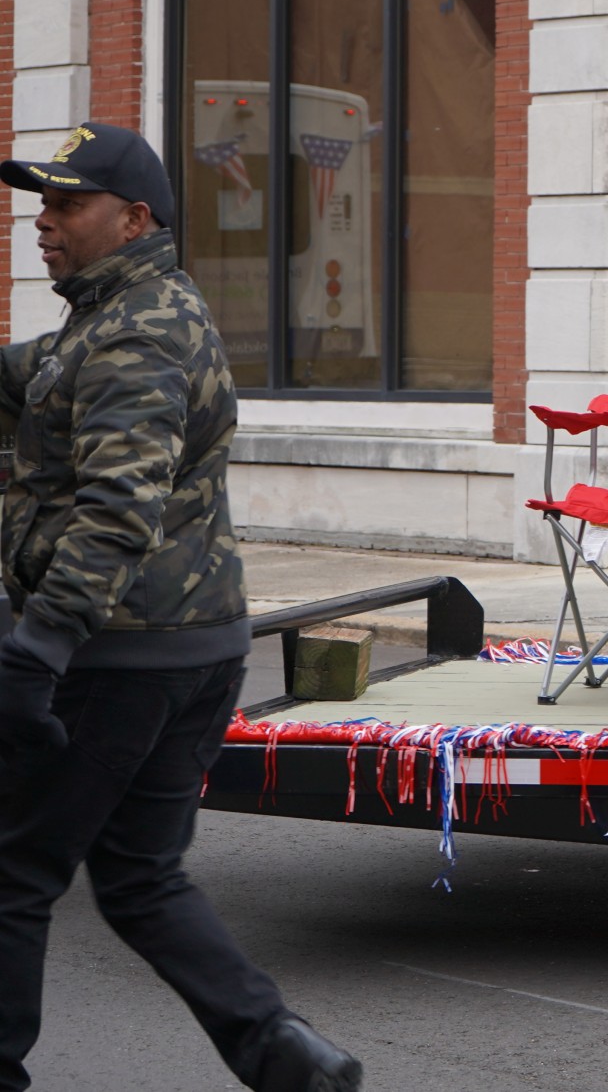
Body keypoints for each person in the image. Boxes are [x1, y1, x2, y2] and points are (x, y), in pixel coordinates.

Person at [0, 123, 360, 1092]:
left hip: (117, 655)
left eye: (67, 206)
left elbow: (118, 514)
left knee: (14, 871)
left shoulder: (134, 336)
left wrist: (36, 653)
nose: (44, 222)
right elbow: (32, 377)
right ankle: (283, 1055)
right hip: (192, 649)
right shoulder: (128, 312)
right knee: (139, 879)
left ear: (133, 218)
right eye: (42, 202)